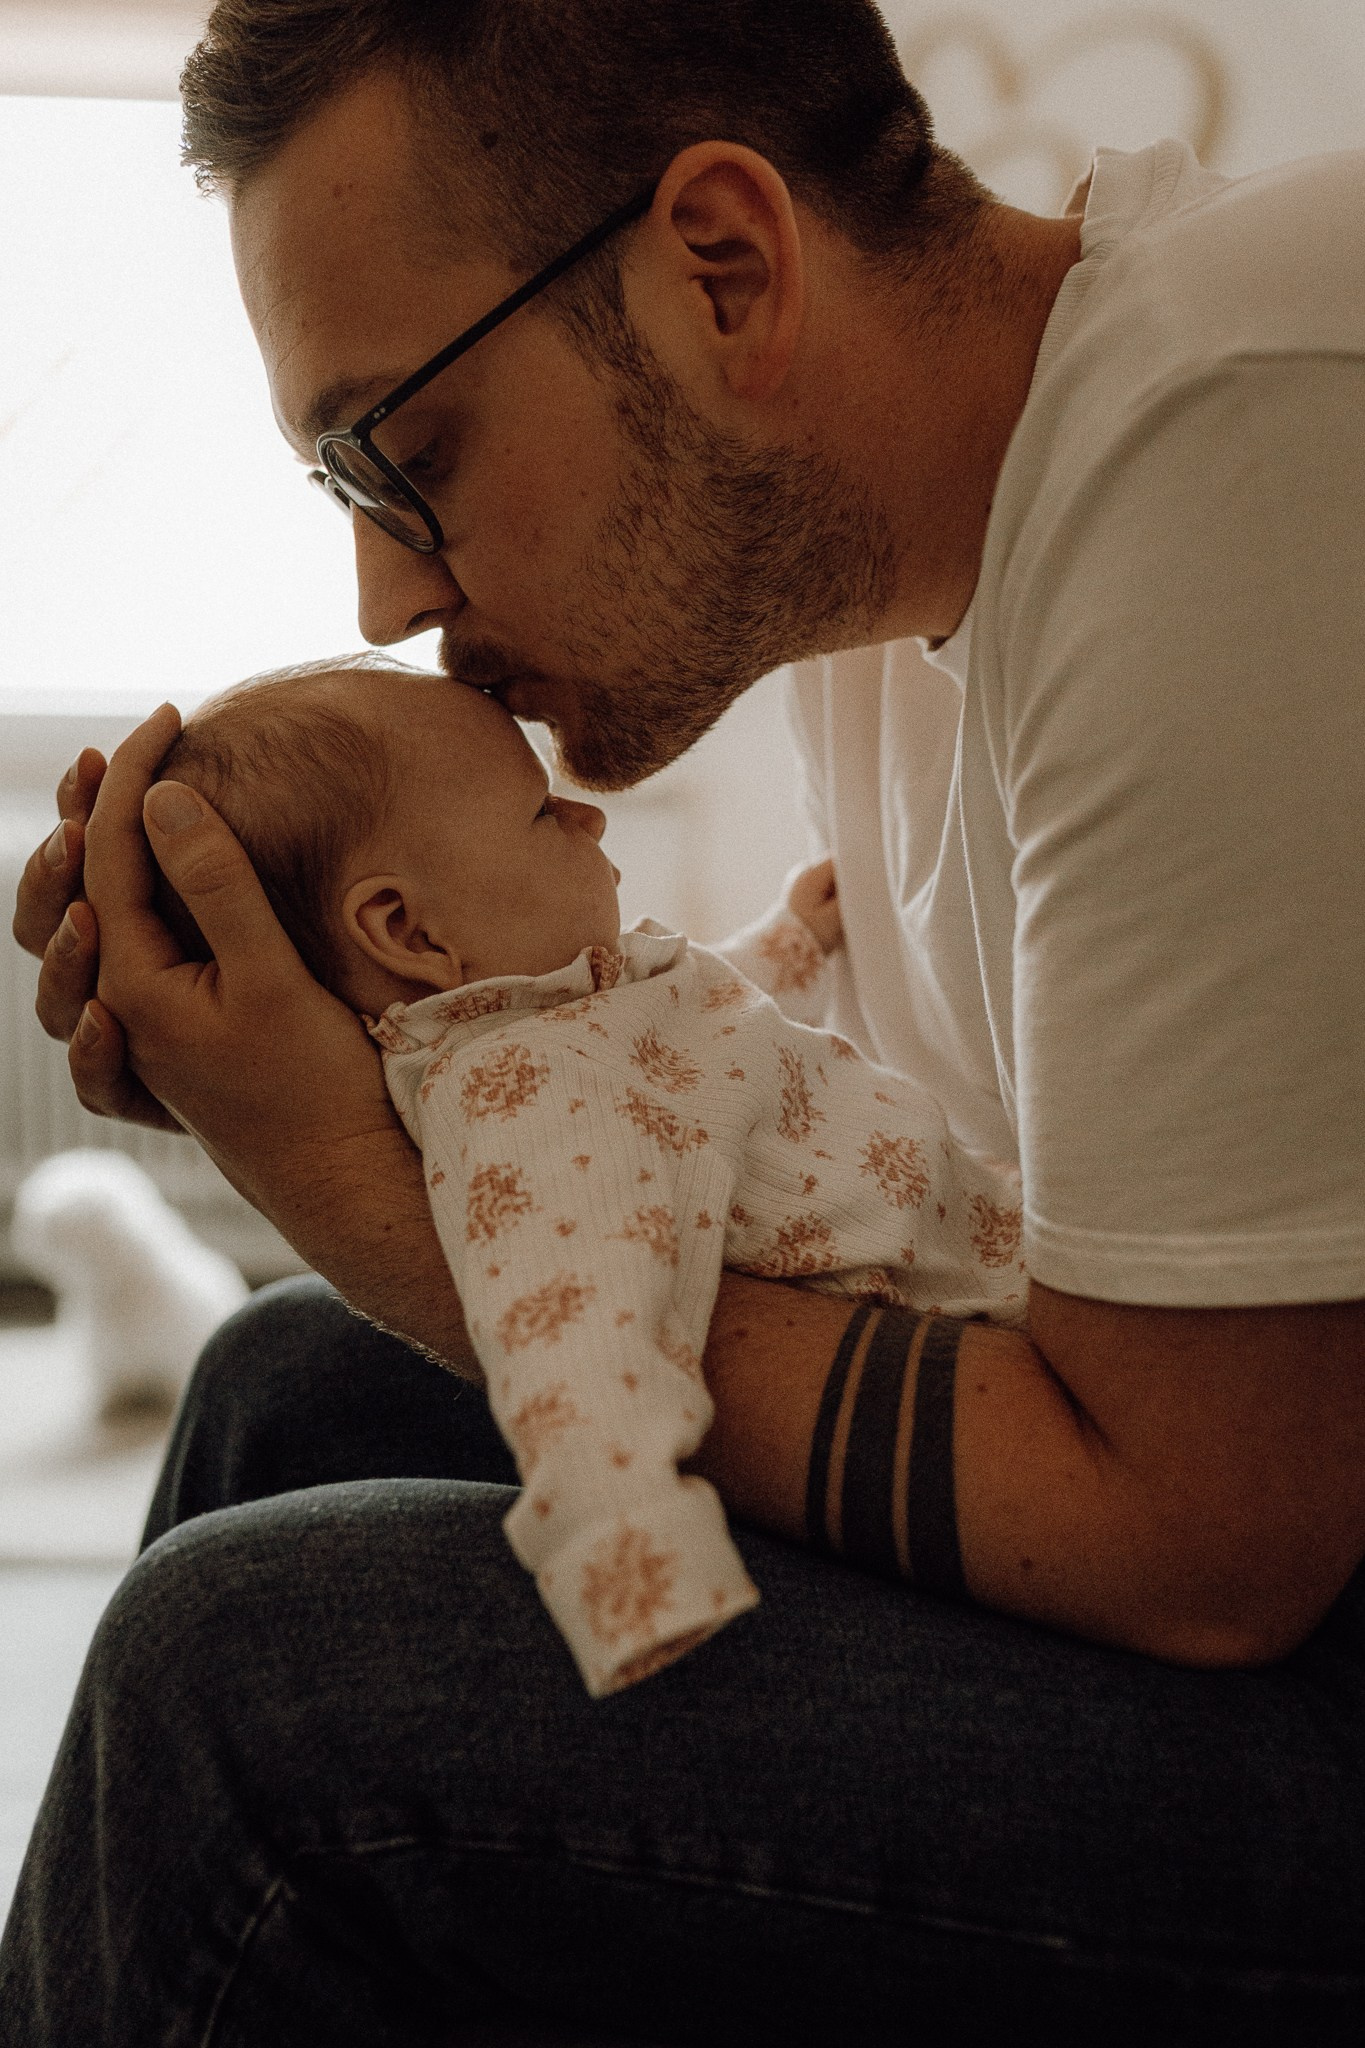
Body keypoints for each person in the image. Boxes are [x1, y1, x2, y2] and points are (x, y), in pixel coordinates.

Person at [4, 0, 1363, 2040]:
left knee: (248, 1694)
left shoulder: (1229, 425)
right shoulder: (870, 596)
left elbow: (1205, 1538)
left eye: (402, 453)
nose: (381, 595)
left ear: (718, 264)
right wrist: (353, 1037)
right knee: (289, 1384)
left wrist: (381, 1197)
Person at [158, 658, 1025, 1696]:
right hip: (972, 1311)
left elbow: (701, 1029)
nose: (591, 820)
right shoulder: (525, 1099)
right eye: (541, 811)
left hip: (988, 1234)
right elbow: (568, 1336)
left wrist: (795, 939)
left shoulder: (566, 1021)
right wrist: (630, 1557)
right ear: (412, 931)